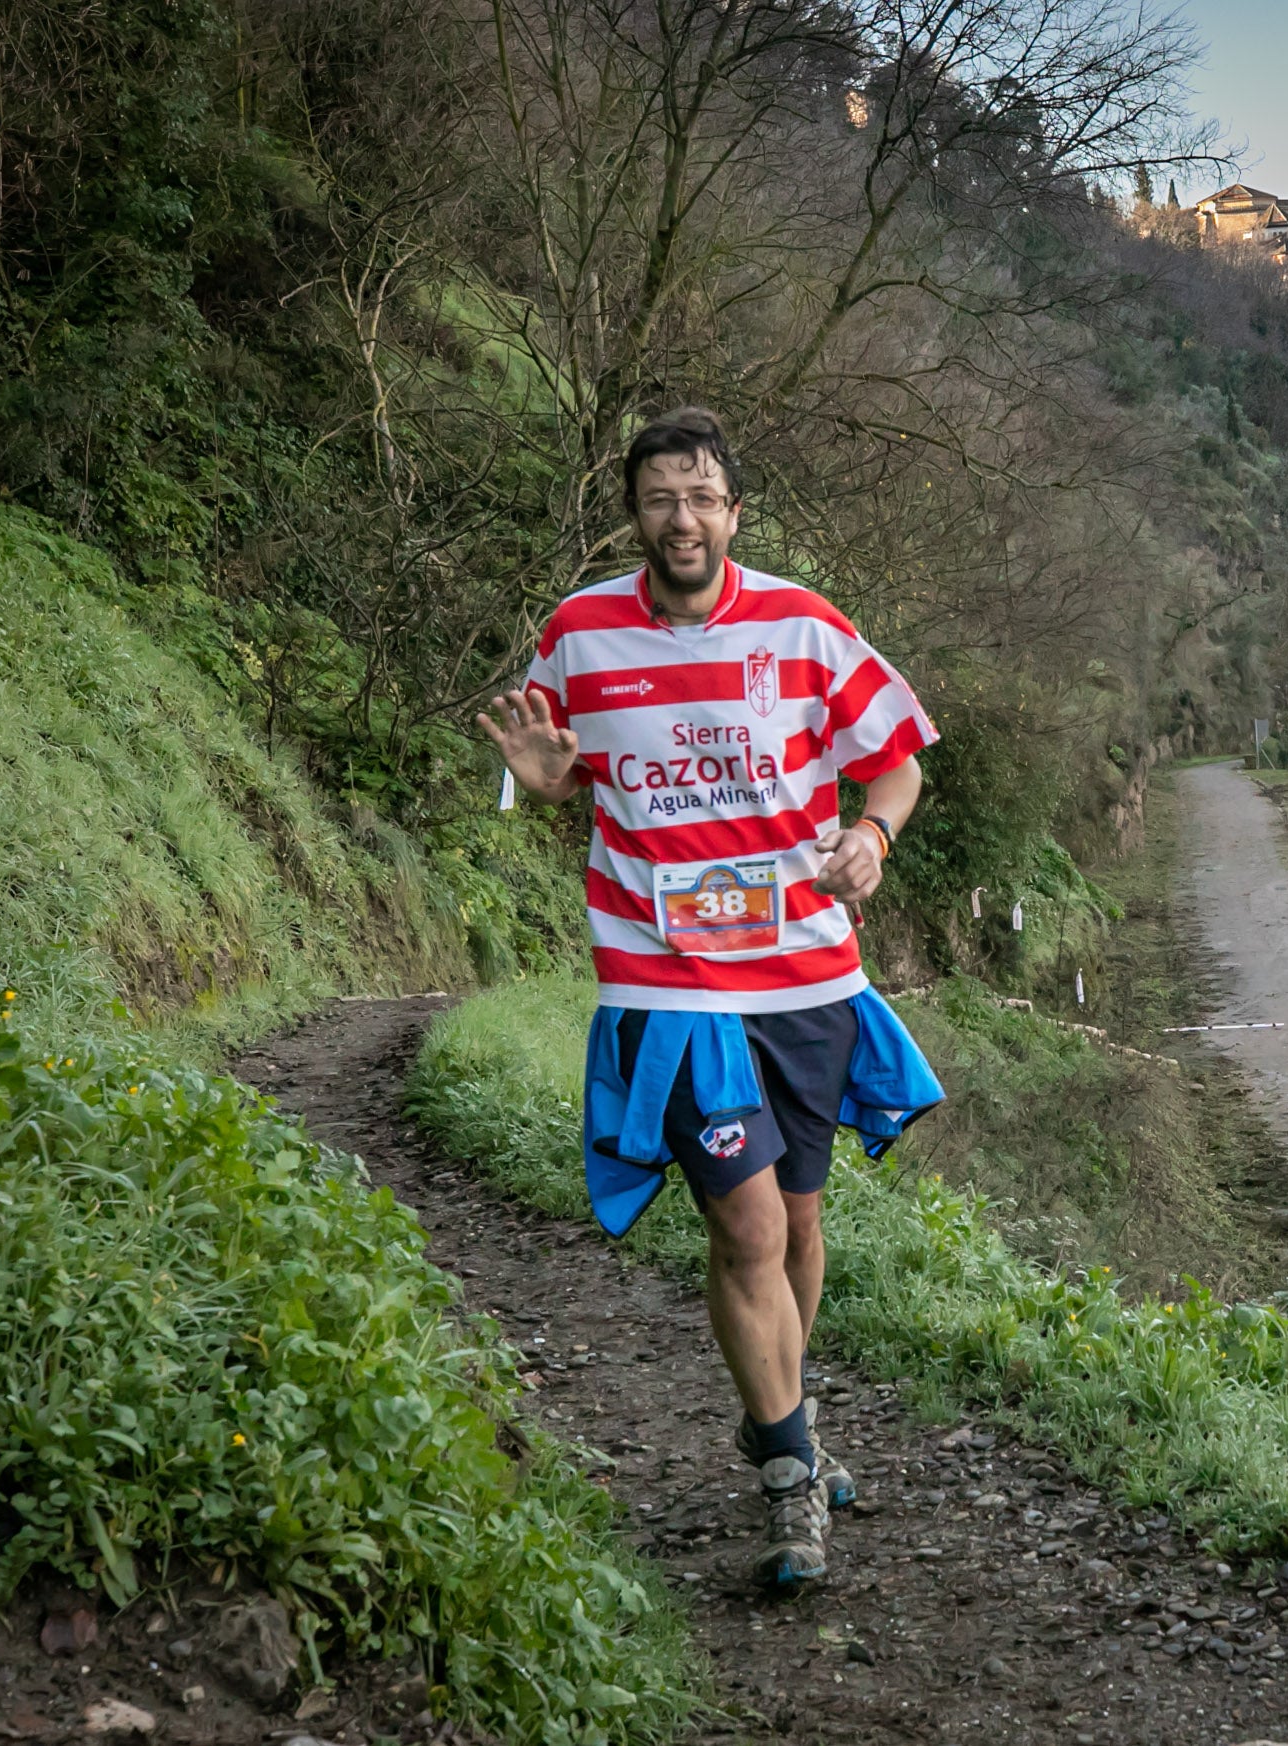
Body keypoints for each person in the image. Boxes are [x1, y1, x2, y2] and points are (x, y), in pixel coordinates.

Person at [479, 406, 939, 1593]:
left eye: (701, 498)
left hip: (806, 977)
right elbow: (554, 760)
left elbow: (897, 759)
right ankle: (789, 1478)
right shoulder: (579, 631)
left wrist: (873, 839)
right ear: (631, 511)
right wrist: (542, 780)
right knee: (742, 1229)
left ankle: (778, 1409)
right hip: (665, 980)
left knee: (798, 1225)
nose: (680, 519)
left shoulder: (803, 624)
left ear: (733, 511)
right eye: (657, 498)